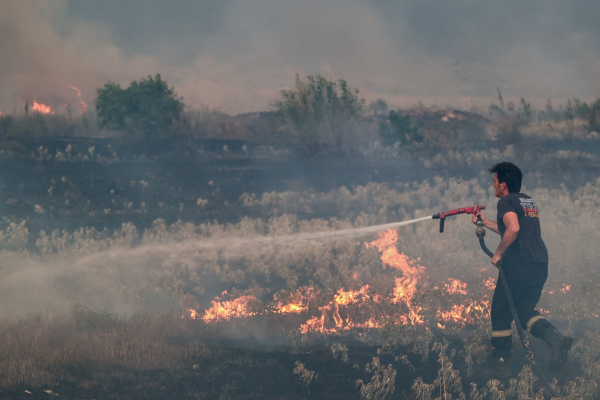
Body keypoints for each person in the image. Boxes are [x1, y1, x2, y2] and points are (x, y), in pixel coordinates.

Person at [473, 162, 572, 378]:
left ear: (503, 184)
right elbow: (509, 227)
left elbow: (514, 229)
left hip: (519, 265)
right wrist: (484, 221)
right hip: (539, 264)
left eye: (494, 182)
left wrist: (498, 254)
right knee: (523, 311)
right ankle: (556, 339)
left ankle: (500, 363)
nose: (493, 186)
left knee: (500, 312)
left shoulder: (506, 202)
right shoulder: (526, 201)